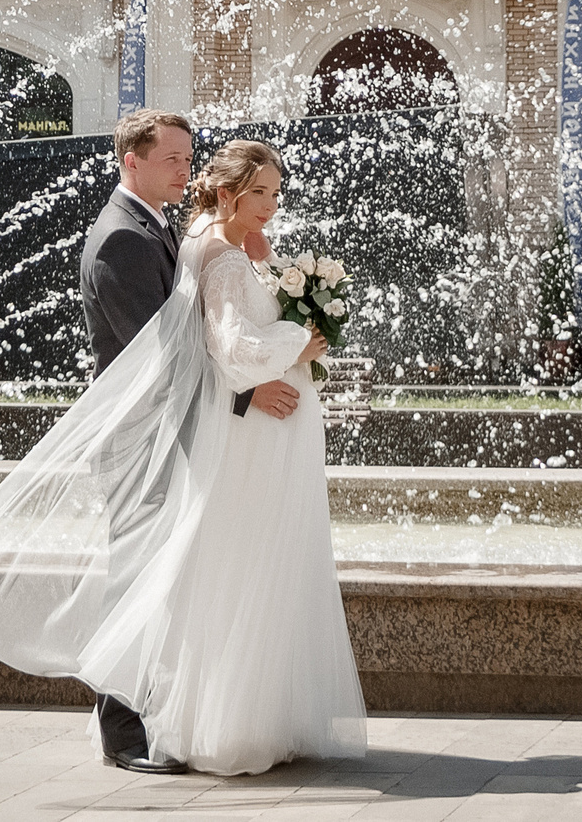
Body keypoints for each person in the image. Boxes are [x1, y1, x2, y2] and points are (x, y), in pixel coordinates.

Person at [0, 110, 324, 779]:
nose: (185, 168)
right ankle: (120, 729)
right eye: (172, 158)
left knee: (162, 578)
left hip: (170, 433)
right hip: (141, 440)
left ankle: (157, 713)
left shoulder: (157, 226)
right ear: (131, 161)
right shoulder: (120, 240)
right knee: (134, 580)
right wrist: (246, 393)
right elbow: (159, 358)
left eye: (188, 156)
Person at [147, 138, 366, 774]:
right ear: (226, 192)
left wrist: (274, 267)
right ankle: (236, 727)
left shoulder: (228, 241)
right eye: (258, 194)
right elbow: (230, 346)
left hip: (268, 427)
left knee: (265, 560)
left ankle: (264, 715)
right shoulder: (218, 253)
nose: (270, 205)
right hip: (255, 434)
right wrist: (301, 342)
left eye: (275, 193)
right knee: (252, 562)